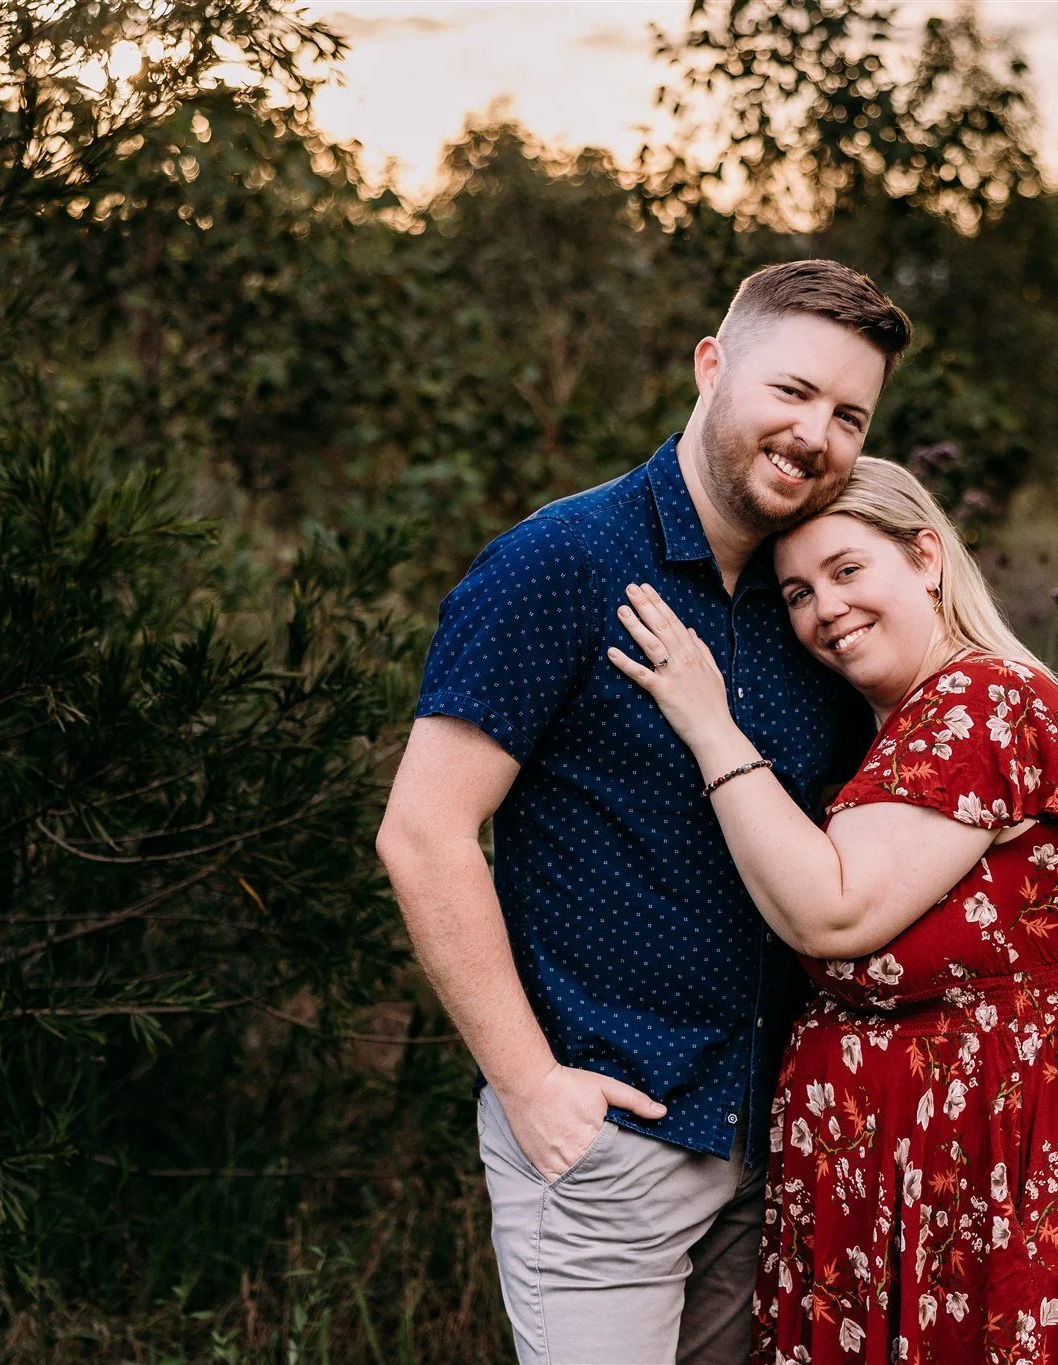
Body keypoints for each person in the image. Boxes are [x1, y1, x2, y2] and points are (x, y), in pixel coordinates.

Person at [376, 260, 911, 1364]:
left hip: (767, 1145)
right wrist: (531, 1089)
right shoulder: (561, 564)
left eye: (848, 415)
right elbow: (423, 833)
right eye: (792, 392)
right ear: (712, 367)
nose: (815, 435)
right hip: (606, 1137)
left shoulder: (812, 606)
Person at [607, 458, 1058, 1364]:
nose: (824, 610)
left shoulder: (983, 700)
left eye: (847, 570)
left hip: (1001, 1156)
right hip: (909, 1168)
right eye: (797, 593)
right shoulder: (900, 728)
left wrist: (709, 721)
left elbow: (832, 915)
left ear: (926, 555)